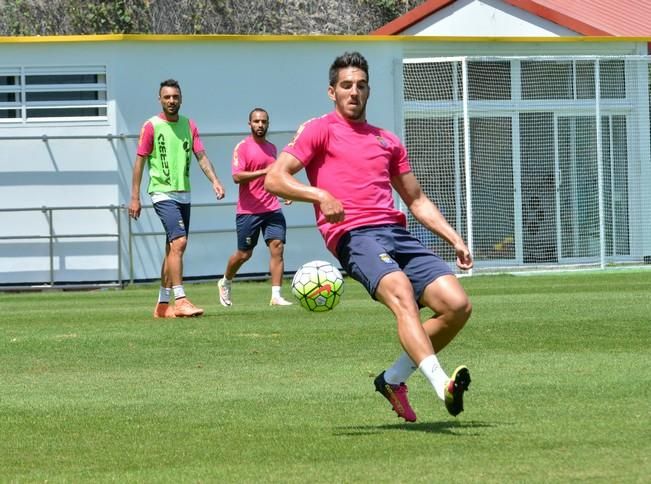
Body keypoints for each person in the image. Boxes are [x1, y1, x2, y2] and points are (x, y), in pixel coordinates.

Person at [265, 52, 473, 421]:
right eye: (346, 86)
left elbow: (416, 198)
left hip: (395, 232)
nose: (354, 92)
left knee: (457, 305)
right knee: (401, 293)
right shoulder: (319, 130)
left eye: (361, 86)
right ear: (332, 91)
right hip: (353, 235)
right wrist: (320, 195)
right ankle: (443, 385)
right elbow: (275, 178)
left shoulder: (387, 140)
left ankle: (393, 379)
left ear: (369, 90)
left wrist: (454, 238)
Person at [129, 79, 225, 319]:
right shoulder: (151, 126)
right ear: (159, 99)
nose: (171, 101)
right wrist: (135, 197)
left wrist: (215, 180)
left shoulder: (189, 125)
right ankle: (180, 299)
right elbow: (140, 162)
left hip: (184, 193)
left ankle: (162, 306)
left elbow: (201, 156)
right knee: (180, 242)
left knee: (173, 247)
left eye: (175, 97)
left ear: (181, 99)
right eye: (167, 97)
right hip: (162, 193)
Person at [217, 108, 293, 307]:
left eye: (264, 121)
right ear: (249, 124)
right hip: (248, 211)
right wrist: (263, 171)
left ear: (268, 124)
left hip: (272, 208)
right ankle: (225, 281)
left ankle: (276, 295)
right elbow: (236, 176)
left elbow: (273, 178)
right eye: (257, 121)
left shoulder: (272, 148)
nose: (260, 125)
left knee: (277, 247)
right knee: (244, 254)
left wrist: (284, 193)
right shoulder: (242, 147)